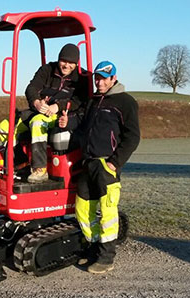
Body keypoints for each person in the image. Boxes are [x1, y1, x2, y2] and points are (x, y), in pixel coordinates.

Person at [59, 60, 140, 274]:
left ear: (114, 78)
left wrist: (115, 162)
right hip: (88, 164)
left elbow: (133, 137)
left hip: (107, 165)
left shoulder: (125, 102)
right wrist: (68, 122)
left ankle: (106, 258)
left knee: (107, 213)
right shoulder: (94, 101)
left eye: (104, 78)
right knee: (83, 210)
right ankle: (94, 249)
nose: (99, 82)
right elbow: (82, 122)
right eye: (97, 78)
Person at [24, 43, 90, 183]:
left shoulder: (82, 78)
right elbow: (31, 88)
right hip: (40, 111)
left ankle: (40, 169)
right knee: (6, 126)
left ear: (77, 63)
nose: (67, 65)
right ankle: (14, 165)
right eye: (64, 61)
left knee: (37, 123)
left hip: (62, 116)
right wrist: (36, 102)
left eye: (71, 63)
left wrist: (57, 106)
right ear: (58, 59)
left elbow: (80, 100)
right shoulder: (46, 70)